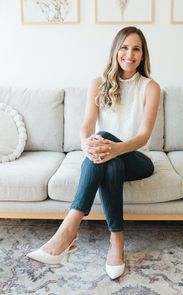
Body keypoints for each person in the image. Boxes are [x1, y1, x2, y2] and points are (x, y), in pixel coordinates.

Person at [27, 26, 160, 280]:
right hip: (107, 158)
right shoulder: (97, 84)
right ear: (115, 51)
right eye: (124, 47)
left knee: (106, 140)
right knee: (111, 165)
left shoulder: (150, 87)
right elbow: (87, 126)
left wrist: (113, 147)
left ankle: (68, 230)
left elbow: (143, 136)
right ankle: (117, 242)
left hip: (138, 159)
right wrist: (86, 143)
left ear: (143, 56)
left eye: (136, 49)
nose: (129, 54)